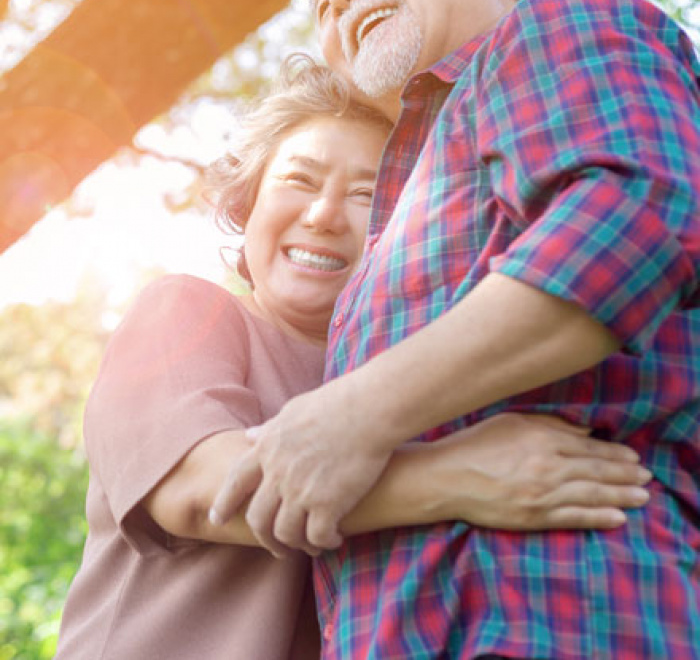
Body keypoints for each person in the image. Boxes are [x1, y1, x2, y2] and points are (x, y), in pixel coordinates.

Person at [213, 0, 700, 658]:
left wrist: (358, 412)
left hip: (566, 608)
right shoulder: (394, 219)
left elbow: (632, 216)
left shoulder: (552, 31)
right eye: (326, 3)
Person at [54, 59, 648, 660]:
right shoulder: (186, 312)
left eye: (366, 194)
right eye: (299, 180)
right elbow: (199, 488)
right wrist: (459, 476)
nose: (323, 216)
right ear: (248, 203)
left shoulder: (410, 382)